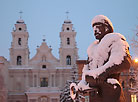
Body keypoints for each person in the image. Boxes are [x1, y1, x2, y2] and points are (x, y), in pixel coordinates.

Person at [70, 15, 131, 102]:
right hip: (95, 95)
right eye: (93, 28)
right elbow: (87, 71)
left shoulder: (115, 39)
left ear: (106, 28)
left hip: (110, 93)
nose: (95, 30)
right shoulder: (92, 47)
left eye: (98, 27)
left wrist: (102, 73)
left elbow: (123, 61)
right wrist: (82, 85)